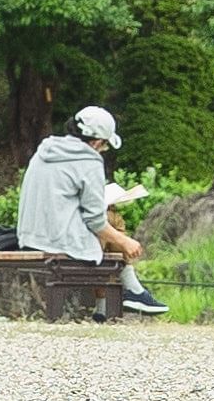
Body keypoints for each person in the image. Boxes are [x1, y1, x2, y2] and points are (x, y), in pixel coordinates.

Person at [16, 102, 157, 315]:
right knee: (111, 219)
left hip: (29, 237)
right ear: (97, 142)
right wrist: (126, 242)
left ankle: (121, 297)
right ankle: (130, 291)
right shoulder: (89, 161)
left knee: (107, 225)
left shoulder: (45, 150)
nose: (103, 150)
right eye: (105, 146)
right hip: (60, 242)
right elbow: (95, 221)